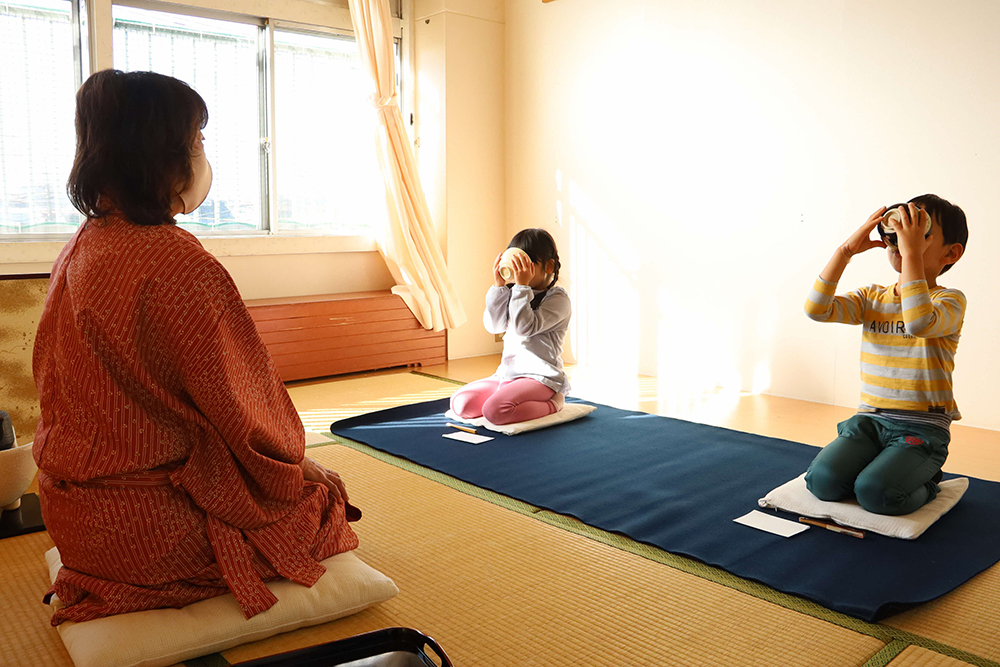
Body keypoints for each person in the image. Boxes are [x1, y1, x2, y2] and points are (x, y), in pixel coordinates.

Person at [33, 69, 359, 626]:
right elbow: (244, 408)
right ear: (161, 155)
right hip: (147, 533)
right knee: (325, 503)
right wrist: (296, 463)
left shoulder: (82, 246)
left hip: (73, 516)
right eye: (199, 141)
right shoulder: (176, 261)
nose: (204, 156)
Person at [803, 194, 968, 515]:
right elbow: (816, 310)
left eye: (921, 231)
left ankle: (929, 479)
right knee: (822, 482)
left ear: (951, 252)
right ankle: (886, 465)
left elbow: (919, 321)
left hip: (922, 427)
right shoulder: (872, 297)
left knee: (876, 493)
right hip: (869, 420)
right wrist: (845, 252)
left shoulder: (949, 301)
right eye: (900, 228)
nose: (903, 238)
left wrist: (910, 254)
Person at [450, 229, 570, 425]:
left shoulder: (558, 299)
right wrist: (499, 287)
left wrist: (521, 287)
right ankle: (507, 394)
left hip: (540, 377)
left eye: (527, 265)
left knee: (495, 411)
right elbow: (494, 326)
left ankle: (554, 402)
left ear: (549, 266)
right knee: (460, 404)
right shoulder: (515, 293)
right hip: (507, 374)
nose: (519, 272)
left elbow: (525, 328)